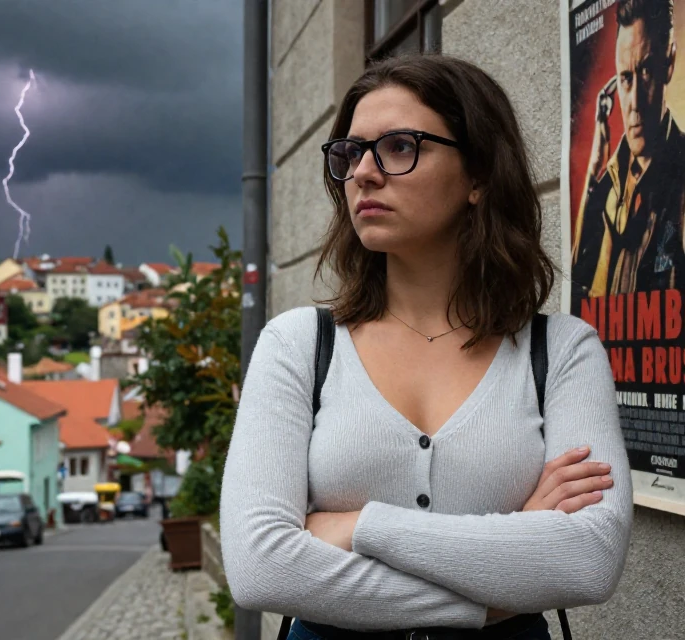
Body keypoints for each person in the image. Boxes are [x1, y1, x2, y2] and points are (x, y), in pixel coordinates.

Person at [220, 53, 632, 638]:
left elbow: (588, 561)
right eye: (351, 151)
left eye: (398, 146)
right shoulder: (297, 347)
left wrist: (358, 525)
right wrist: (502, 569)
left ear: (479, 176)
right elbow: (260, 568)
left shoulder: (561, 352)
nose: (364, 172)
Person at [570, 0, 685, 299]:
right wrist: (594, 169)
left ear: (669, 63)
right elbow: (577, 283)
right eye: (626, 79)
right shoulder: (608, 185)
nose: (635, 101)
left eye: (646, 72)